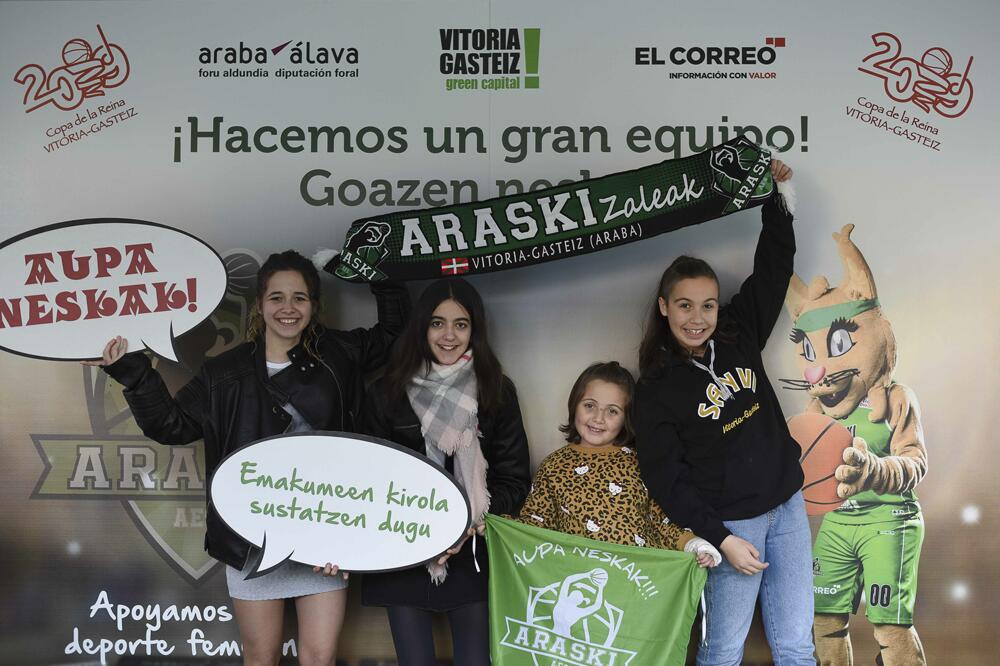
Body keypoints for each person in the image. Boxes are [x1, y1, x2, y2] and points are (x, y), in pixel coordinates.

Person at [85, 250, 409, 666]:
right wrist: (132, 372)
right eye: (276, 297)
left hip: (324, 539)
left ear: (314, 304)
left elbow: (397, 334)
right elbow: (172, 425)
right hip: (250, 541)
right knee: (260, 656)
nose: (287, 309)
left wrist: (366, 268)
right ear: (259, 304)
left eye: (300, 298)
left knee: (319, 657)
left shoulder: (340, 354)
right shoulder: (223, 372)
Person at [633, 161, 816, 665]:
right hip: (733, 526)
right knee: (723, 649)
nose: (698, 318)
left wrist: (779, 196)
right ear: (664, 307)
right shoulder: (654, 389)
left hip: (787, 506)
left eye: (708, 306)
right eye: (686, 306)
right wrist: (722, 540)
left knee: (797, 642)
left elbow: (775, 269)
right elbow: (667, 482)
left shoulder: (738, 333)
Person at [361, 277, 531, 666]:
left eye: (461, 323)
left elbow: (514, 479)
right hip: (402, 553)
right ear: (421, 327)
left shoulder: (496, 392)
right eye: (437, 323)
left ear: (476, 329)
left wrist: (469, 523)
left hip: (473, 551)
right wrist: (420, 528)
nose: (449, 335)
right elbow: (368, 483)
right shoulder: (385, 393)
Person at [517, 361, 721, 568]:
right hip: (581, 579)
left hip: (638, 580)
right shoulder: (553, 467)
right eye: (589, 406)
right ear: (574, 404)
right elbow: (536, 523)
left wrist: (693, 544)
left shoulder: (641, 462)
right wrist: (495, 527)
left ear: (627, 418)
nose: (598, 418)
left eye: (612, 411)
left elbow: (661, 520)